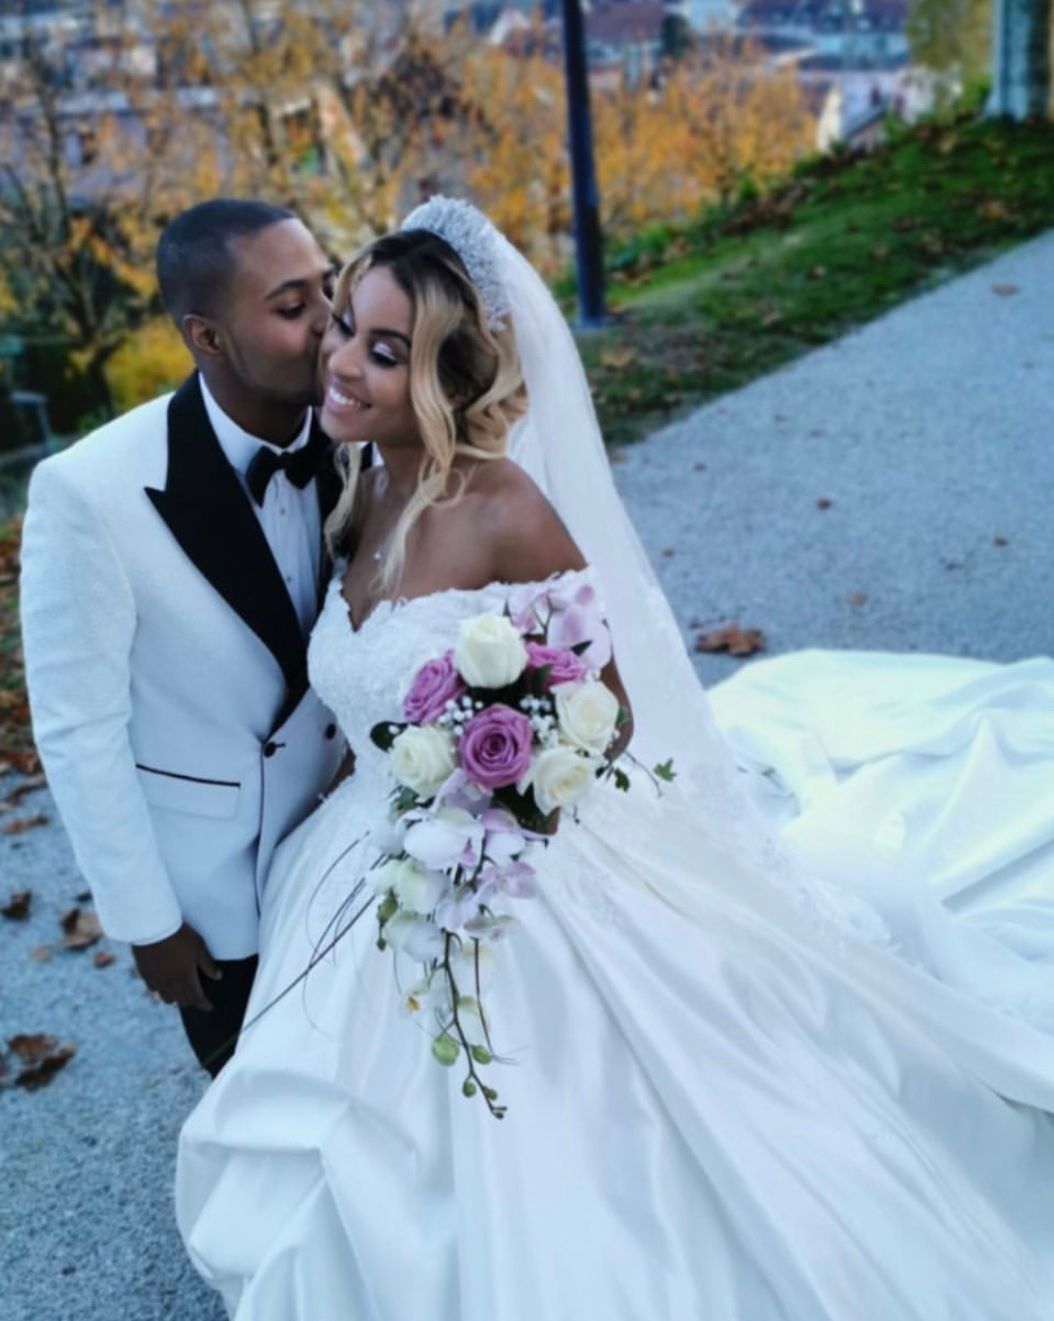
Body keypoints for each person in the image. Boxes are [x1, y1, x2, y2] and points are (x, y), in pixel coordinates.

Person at [176, 198, 1054, 1319]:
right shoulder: (361, 483)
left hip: (501, 851)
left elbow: (610, 711)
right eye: (344, 324)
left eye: (386, 351)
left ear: (445, 376)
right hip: (366, 849)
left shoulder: (503, 506)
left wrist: (479, 800)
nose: (342, 361)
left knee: (562, 1112)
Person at [20, 199, 348, 1076]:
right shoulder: (87, 491)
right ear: (207, 336)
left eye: (328, 289)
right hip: (220, 892)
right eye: (293, 306)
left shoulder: (362, 433)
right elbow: (78, 728)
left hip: (359, 836)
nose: (329, 323)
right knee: (262, 1104)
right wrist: (147, 920)